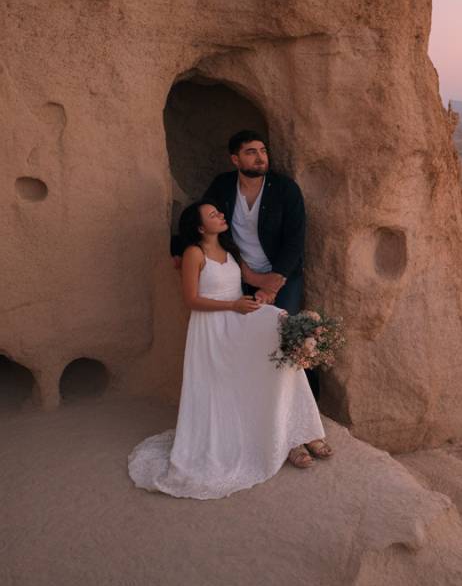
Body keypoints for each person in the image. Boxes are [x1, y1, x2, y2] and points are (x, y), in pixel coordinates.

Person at [129, 201, 332, 499]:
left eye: (219, 212)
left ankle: (298, 433)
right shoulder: (193, 254)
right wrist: (233, 305)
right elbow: (191, 299)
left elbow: (250, 280)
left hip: (239, 318)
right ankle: (288, 439)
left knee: (282, 333)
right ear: (200, 227)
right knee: (272, 345)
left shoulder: (229, 249)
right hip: (213, 328)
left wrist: (274, 285)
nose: (221, 215)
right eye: (213, 215)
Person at [174, 129, 319, 398]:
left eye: (263, 151)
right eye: (251, 152)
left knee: (288, 337)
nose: (260, 158)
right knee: (247, 340)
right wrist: (179, 248)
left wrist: (273, 283)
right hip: (240, 276)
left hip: (282, 274)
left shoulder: (285, 189)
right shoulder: (223, 186)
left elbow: (295, 240)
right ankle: (255, 402)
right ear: (235, 160)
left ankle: (306, 405)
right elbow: (202, 219)